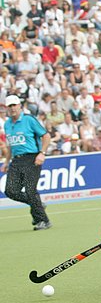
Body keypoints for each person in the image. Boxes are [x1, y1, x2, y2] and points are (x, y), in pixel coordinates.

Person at [0, 95, 52, 230]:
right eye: (9, 106)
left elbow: (46, 136)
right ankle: (37, 204)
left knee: (30, 190)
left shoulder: (29, 120)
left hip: (32, 158)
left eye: (14, 105)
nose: (12, 108)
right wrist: (6, 162)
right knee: (10, 191)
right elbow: (11, 145)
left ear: (19, 106)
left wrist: (42, 153)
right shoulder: (7, 124)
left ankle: (44, 220)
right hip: (16, 160)